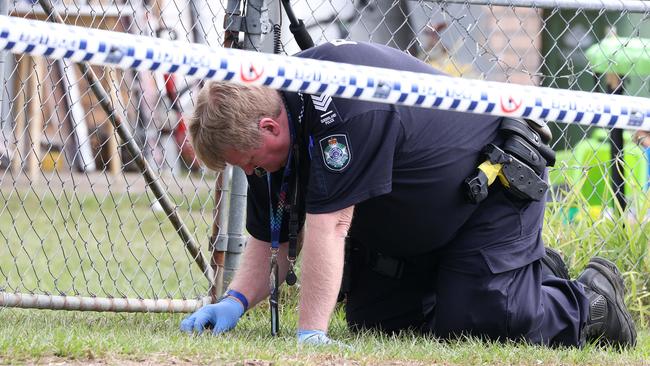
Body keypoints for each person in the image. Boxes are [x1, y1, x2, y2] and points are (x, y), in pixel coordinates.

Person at [180, 40, 637, 348]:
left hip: (487, 195)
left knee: (476, 319)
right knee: (378, 322)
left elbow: (332, 223)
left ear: (269, 127)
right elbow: (272, 240)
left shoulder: (343, 106)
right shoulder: (270, 129)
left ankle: (590, 302)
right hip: (416, 221)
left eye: (249, 162)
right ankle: (518, 277)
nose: (251, 172)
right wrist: (234, 302)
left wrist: (311, 336)